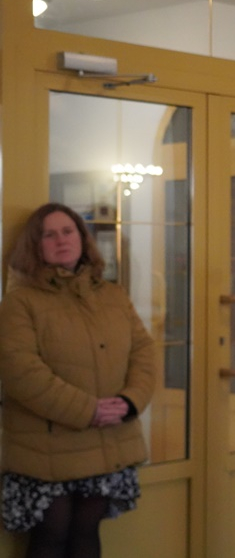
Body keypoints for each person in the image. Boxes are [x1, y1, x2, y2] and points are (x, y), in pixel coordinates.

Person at [0, 203, 155, 558]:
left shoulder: (113, 295)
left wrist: (130, 401)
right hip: (46, 448)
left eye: (68, 231)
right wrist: (89, 410)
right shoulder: (19, 302)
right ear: (35, 245)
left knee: (87, 532)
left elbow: (144, 353)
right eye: (49, 234)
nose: (61, 240)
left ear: (83, 239)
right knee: (51, 537)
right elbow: (21, 372)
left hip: (107, 441)